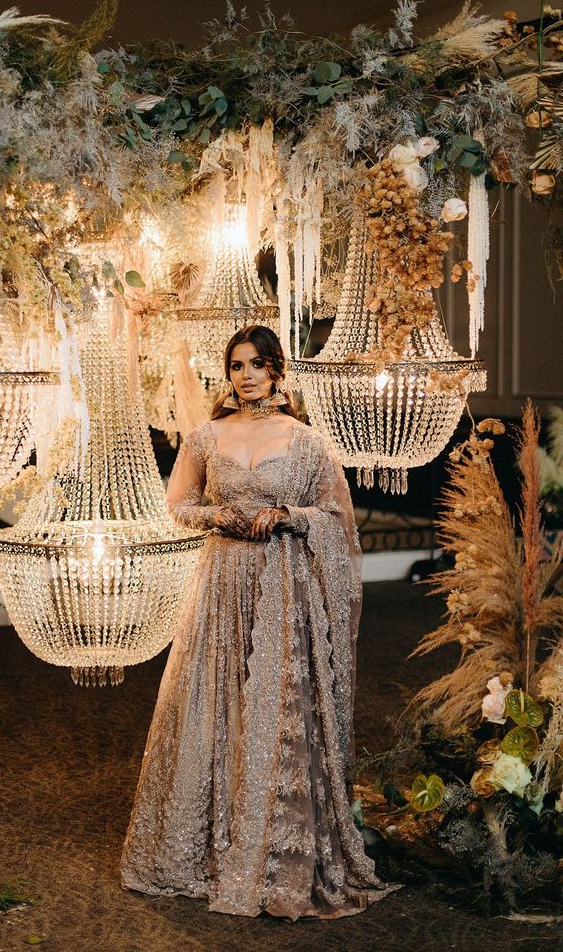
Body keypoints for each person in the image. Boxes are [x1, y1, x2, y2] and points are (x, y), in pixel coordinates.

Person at [120, 325, 399, 920]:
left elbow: (336, 520)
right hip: (220, 584)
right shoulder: (205, 436)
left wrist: (288, 515)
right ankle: (203, 847)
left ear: (276, 370)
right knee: (211, 702)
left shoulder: (305, 443)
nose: (245, 375)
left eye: (256, 365)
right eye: (236, 365)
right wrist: (220, 515)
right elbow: (176, 507)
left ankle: (273, 849)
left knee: (276, 704)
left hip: (280, 587)